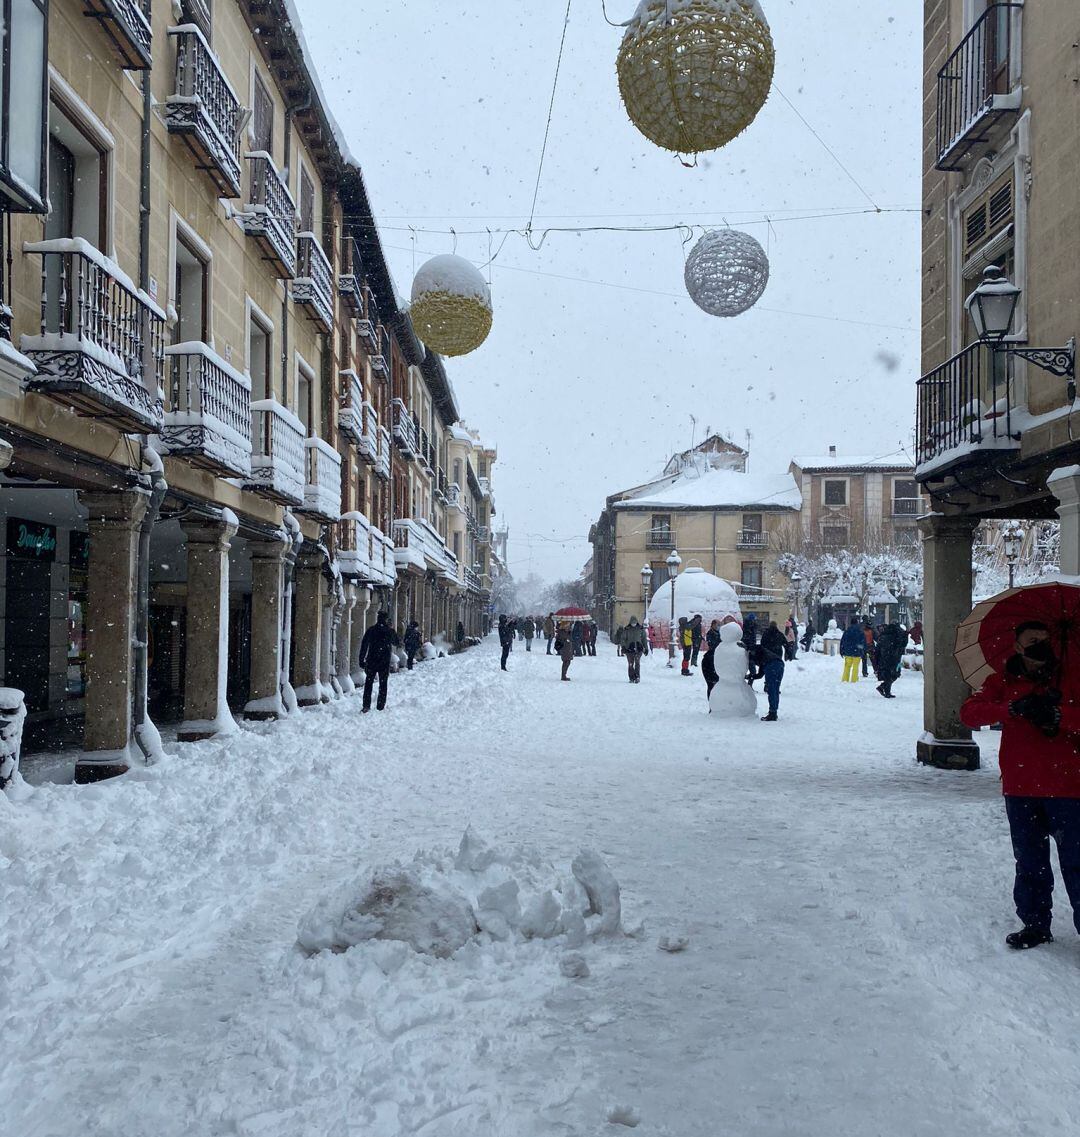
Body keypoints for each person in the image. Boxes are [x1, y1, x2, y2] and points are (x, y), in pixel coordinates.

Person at [960, 620, 1080, 950]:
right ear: (1017, 645)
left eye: (1044, 639)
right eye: (1032, 641)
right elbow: (970, 713)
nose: (1040, 645)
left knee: (1077, 862)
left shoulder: (1072, 675)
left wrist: (1061, 716)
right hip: (1021, 786)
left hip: (1069, 787)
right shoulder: (1001, 681)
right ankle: (1035, 924)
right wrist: (1010, 708)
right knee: (1029, 861)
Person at [358, 611, 399, 712]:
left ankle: (366, 705)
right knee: (383, 683)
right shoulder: (389, 631)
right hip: (384, 661)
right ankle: (380, 706)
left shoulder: (371, 630)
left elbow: (364, 645)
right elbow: (397, 642)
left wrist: (361, 659)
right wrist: (391, 629)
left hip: (372, 660)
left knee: (368, 683)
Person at [758, 622, 787, 721]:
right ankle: (774, 710)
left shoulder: (766, 634)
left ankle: (772, 712)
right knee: (775, 688)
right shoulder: (779, 634)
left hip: (770, 661)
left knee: (772, 688)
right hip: (778, 661)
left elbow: (762, 647)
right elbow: (786, 643)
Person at [874, 622, 909, 698]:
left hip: (884, 658)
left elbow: (877, 649)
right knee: (895, 674)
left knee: (888, 674)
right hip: (895, 658)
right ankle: (884, 689)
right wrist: (905, 636)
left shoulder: (883, 636)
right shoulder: (897, 636)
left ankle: (885, 689)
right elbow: (903, 644)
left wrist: (876, 660)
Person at [622, 616, 648, 683]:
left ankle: (637, 677)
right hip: (629, 649)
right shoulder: (627, 629)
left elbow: (644, 639)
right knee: (630, 664)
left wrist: (646, 648)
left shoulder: (641, 629)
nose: (633, 624)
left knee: (637, 663)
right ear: (630, 622)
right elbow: (623, 639)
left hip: (638, 649)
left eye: (635, 622)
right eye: (632, 622)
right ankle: (631, 677)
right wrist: (624, 647)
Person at [839, 617, 865, 683]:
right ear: (857, 623)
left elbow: (843, 641)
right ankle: (854, 680)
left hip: (848, 651)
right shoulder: (860, 631)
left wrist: (842, 651)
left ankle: (845, 679)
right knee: (855, 667)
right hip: (857, 652)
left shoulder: (847, 631)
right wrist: (862, 650)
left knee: (847, 666)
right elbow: (863, 642)